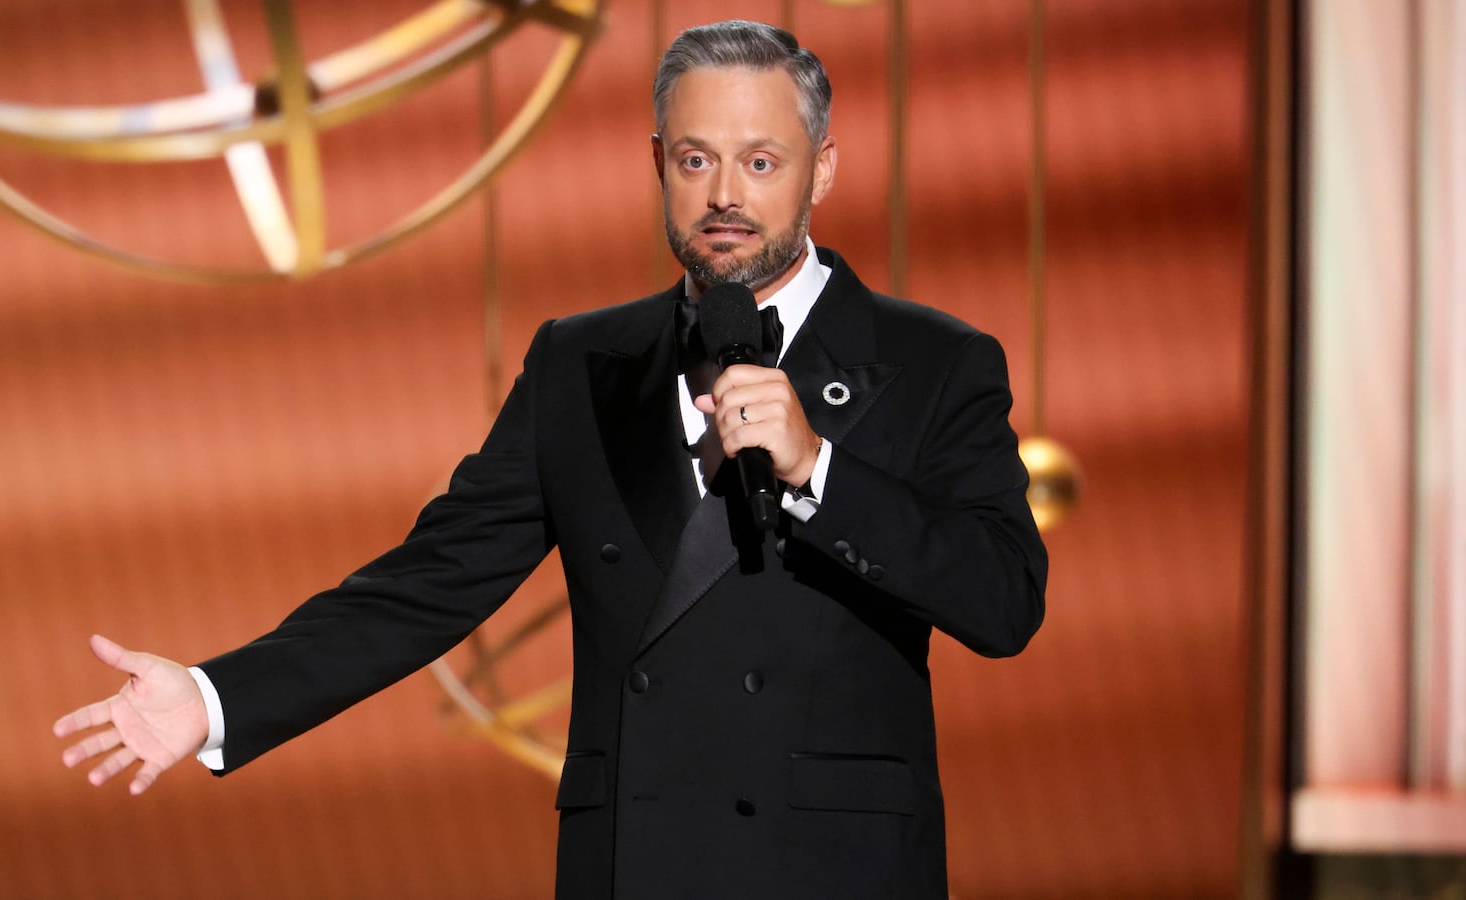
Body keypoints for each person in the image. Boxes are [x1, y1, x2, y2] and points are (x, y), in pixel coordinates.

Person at [54, 19, 1046, 898]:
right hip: (635, 859)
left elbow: (1003, 601)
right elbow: (432, 581)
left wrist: (816, 470)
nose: (724, 196)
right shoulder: (579, 360)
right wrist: (219, 697)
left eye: (760, 162)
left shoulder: (933, 360)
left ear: (821, 168)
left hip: (836, 865)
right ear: (656, 162)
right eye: (695, 160)